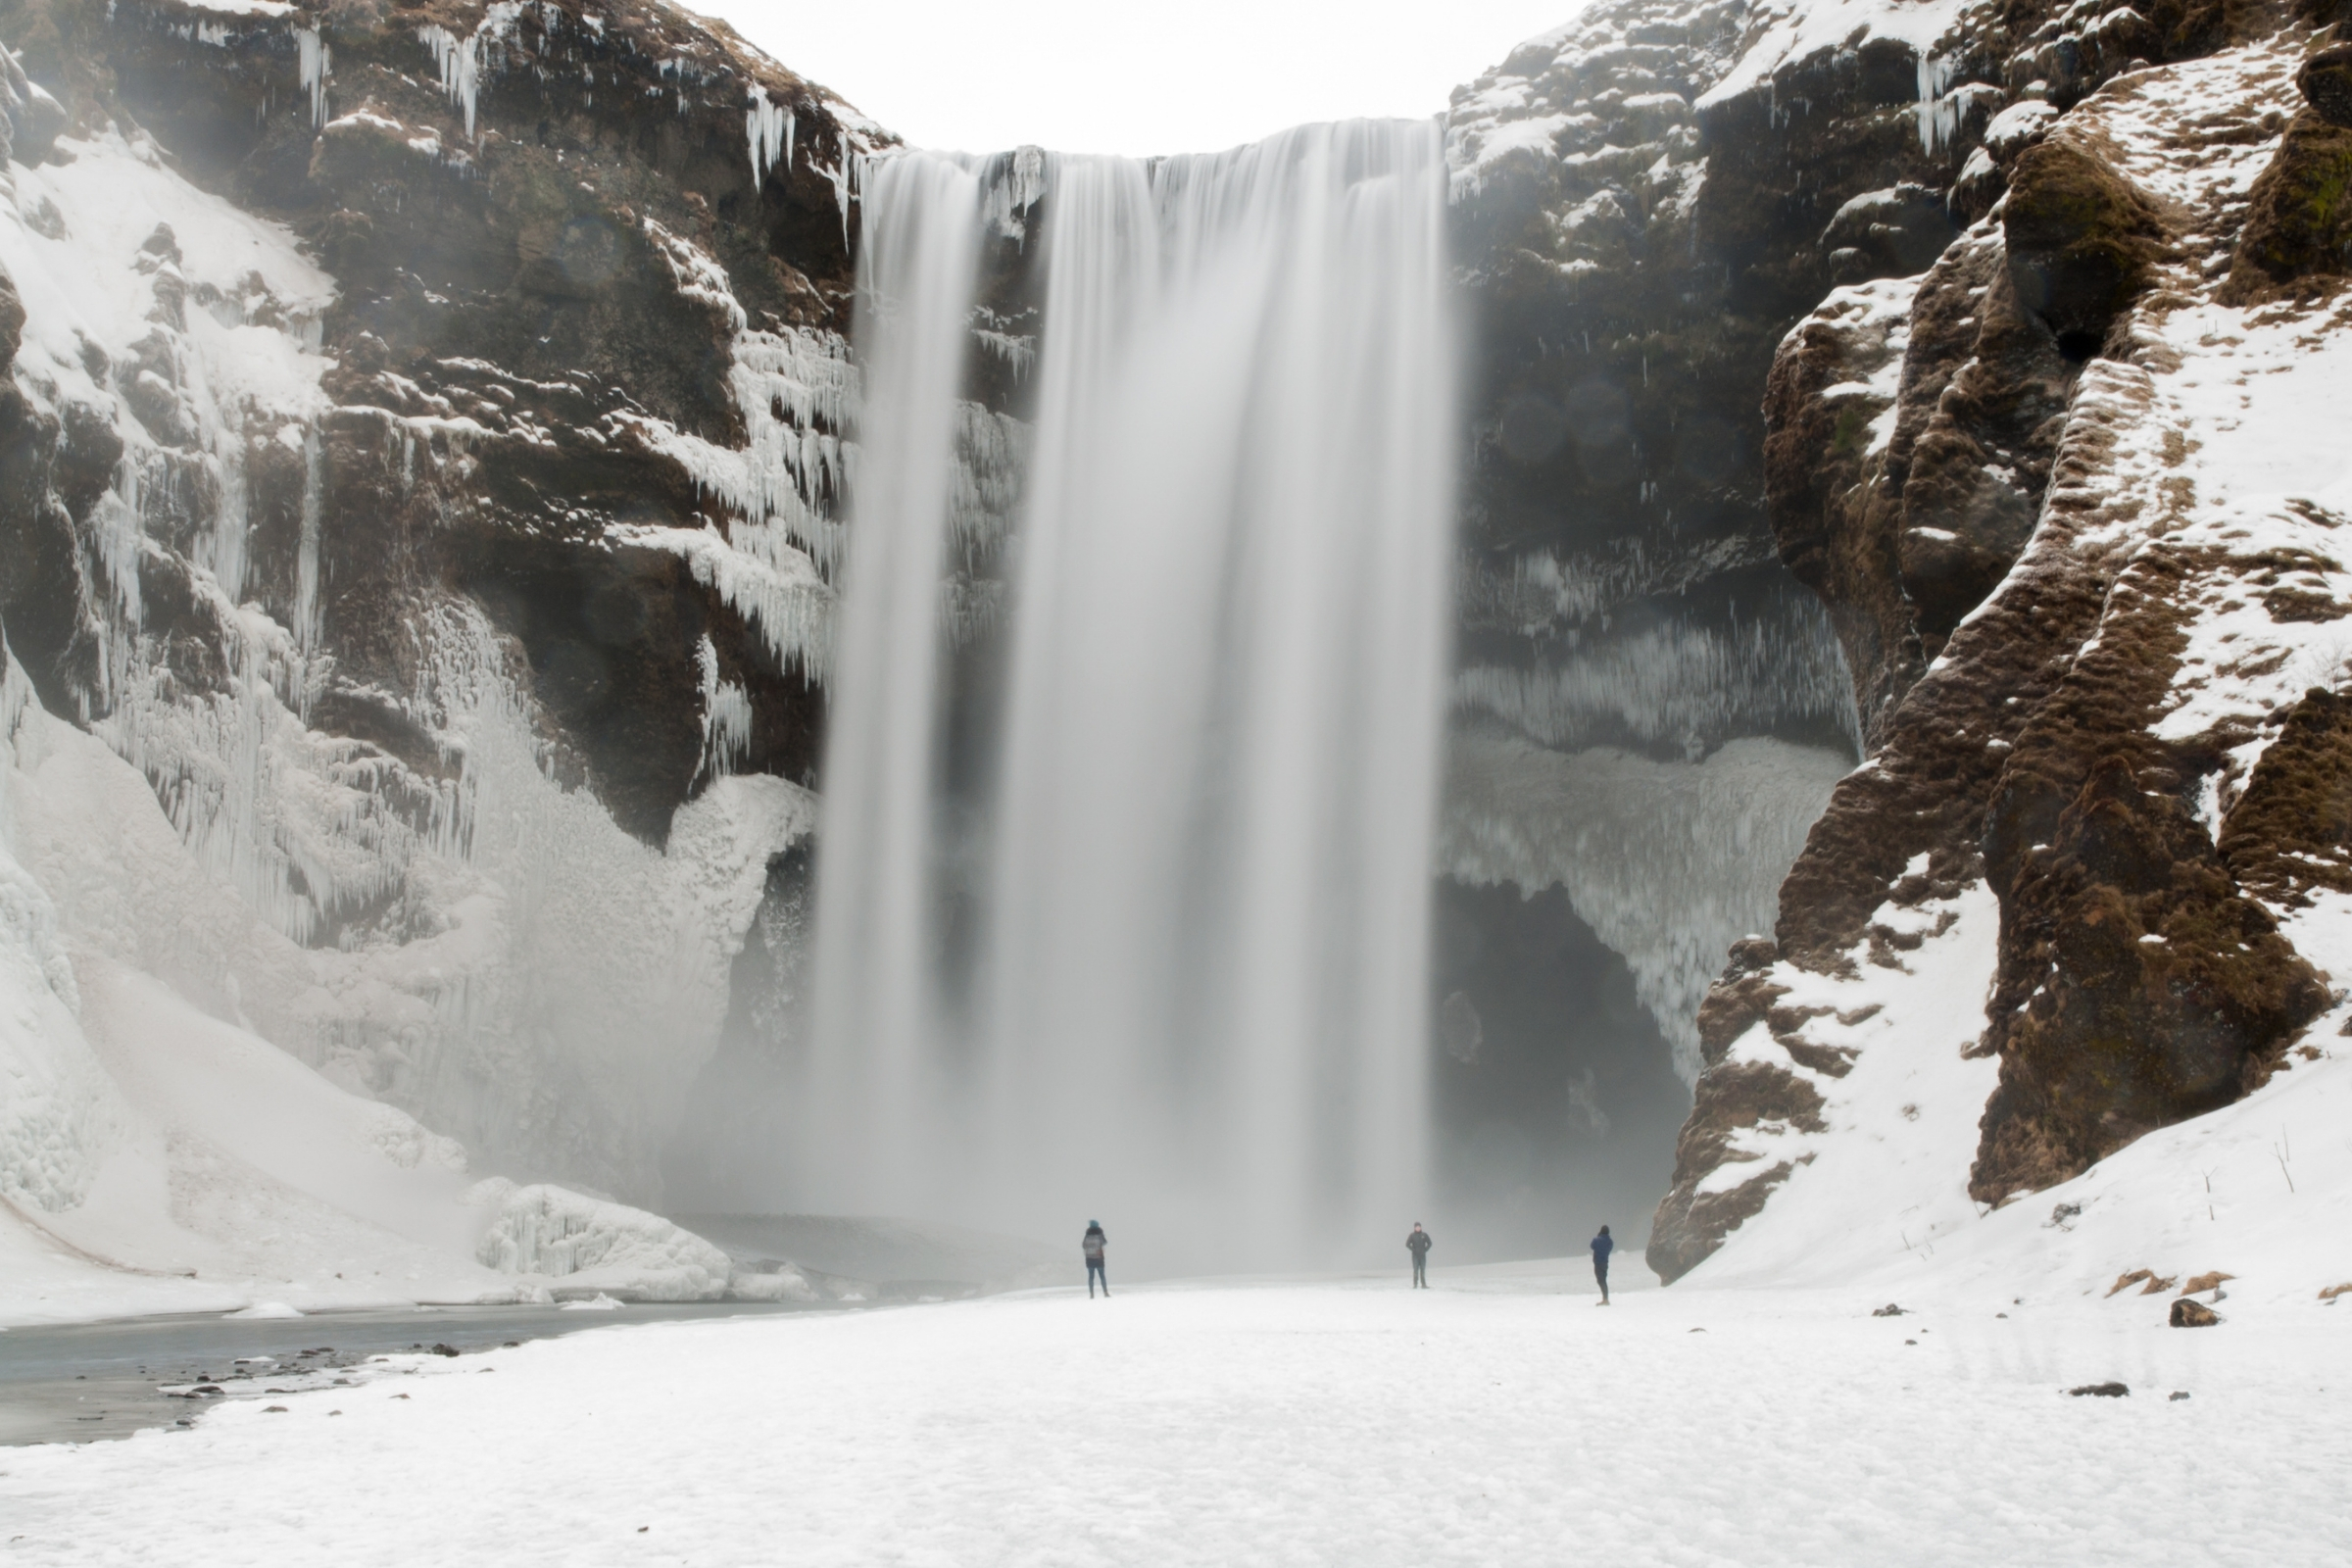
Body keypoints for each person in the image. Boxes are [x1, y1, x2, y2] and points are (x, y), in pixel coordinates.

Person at [1083, 1221, 1108, 1298]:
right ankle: (1105, 1292)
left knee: (1091, 1277)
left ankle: (1091, 1293)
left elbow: (1083, 1245)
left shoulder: (1087, 1235)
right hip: (1099, 1258)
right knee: (1102, 1276)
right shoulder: (1100, 1234)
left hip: (1089, 1258)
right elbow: (1104, 1242)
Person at [1591, 1224, 1613, 1305]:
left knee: (1601, 1281)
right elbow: (1609, 1248)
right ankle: (1605, 1298)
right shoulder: (1610, 1241)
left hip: (1598, 1263)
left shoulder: (1597, 1240)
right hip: (1605, 1263)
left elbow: (1592, 1246)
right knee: (1603, 1280)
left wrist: (1598, 1236)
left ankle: (1605, 1299)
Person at [1406, 1222, 1433, 1288]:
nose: (1418, 1228)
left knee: (1422, 1270)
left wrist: (1425, 1250)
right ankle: (1415, 1284)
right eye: (1416, 1227)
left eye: (1419, 1227)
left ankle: (1423, 1284)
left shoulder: (1424, 1235)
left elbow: (1430, 1243)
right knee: (1415, 1270)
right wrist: (1413, 1250)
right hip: (1415, 1256)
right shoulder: (1412, 1235)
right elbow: (1407, 1244)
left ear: (1420, 1227)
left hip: (1422, 1256)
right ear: (1415, 1228)